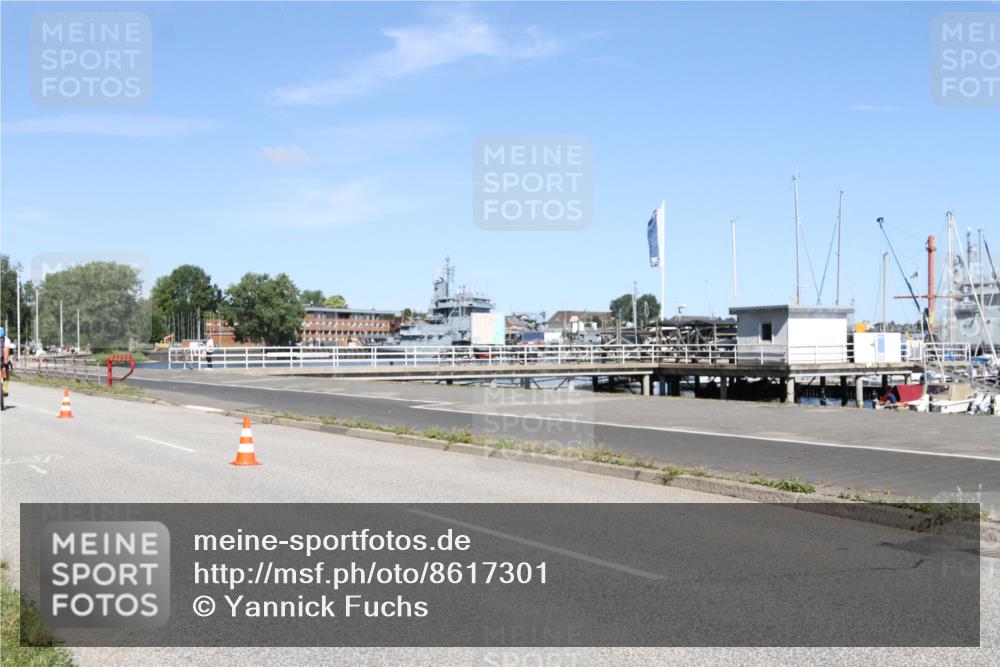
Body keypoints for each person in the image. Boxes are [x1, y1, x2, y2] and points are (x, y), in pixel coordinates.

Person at [0, 327, 12, 399]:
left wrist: (6, 361)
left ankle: (5, 387)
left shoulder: (6, 340)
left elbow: (6, 350)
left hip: (3, 357)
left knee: (5, 369)